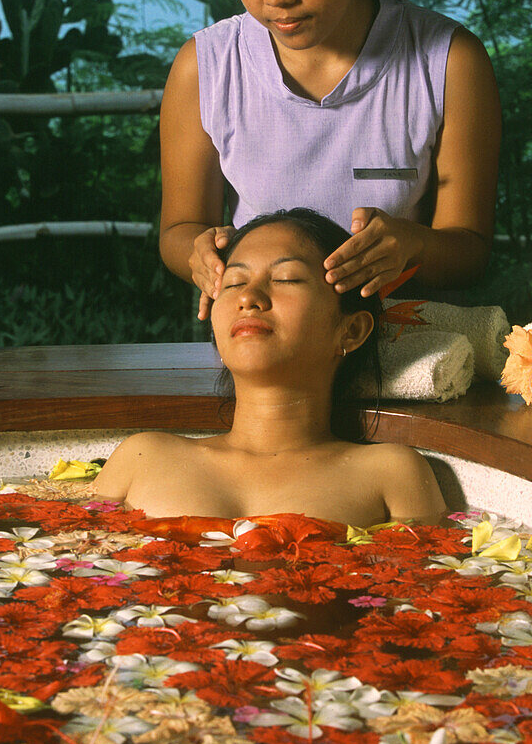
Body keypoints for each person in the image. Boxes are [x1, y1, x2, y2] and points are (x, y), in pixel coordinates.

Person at [159, 0, 501, 322]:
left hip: (404, 344)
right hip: (263, 344)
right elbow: (179, 230)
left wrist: (410, 245)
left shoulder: (447, 62)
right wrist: (200, 253)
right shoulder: (206, 67)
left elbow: (469, 252)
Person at [94, 209, 448, 526]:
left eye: (286, 279)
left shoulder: (390, 474)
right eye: (233, 283)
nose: (248, 297)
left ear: (351, 330)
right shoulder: (141, 459)